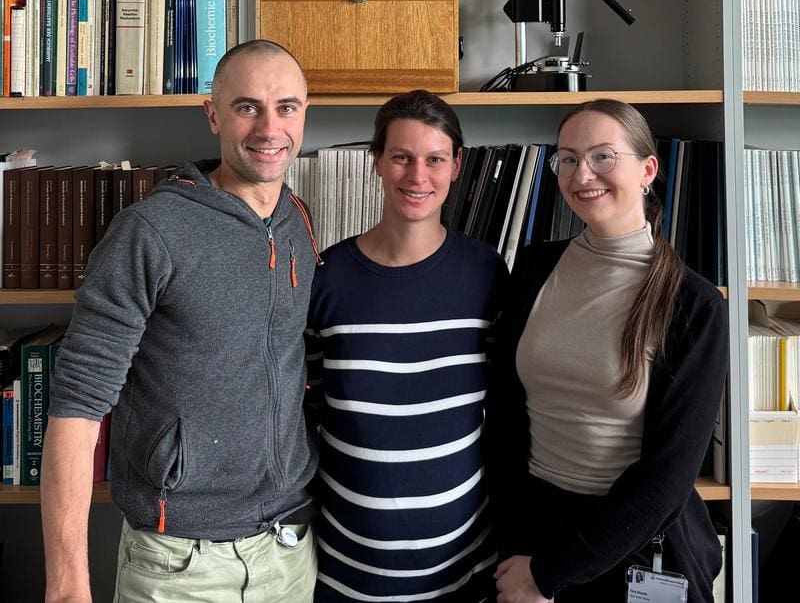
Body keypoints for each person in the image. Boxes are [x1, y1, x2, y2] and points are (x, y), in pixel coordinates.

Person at [41, 40, 322, 603]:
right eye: (247, 107)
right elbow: (78, 406)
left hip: (290, 550)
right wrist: (67, 582)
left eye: (286, 107)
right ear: (213, 113)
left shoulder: (297, 219)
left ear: (304, 113)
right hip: (179, 565)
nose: (270, 127)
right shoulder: (151, 231)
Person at [486, 99, 728, 602]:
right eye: (568, 159)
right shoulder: (533, 268)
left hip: (633, 552)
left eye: (602, 157)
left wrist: (549, 573)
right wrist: (519, 548)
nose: (582, 174)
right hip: (534, 533)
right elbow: (507, 420)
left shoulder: (694, 304)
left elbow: (667, 479)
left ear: (648, 169)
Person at [305, 90, 509, 601]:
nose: (418, 177)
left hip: (464, 571)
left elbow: (507, 409)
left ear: (457, 165)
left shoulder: (487, 272)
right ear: (376, 161)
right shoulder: (325, 279)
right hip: (345, 571)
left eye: (435, 159)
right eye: (401, 157)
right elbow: (307, 411)